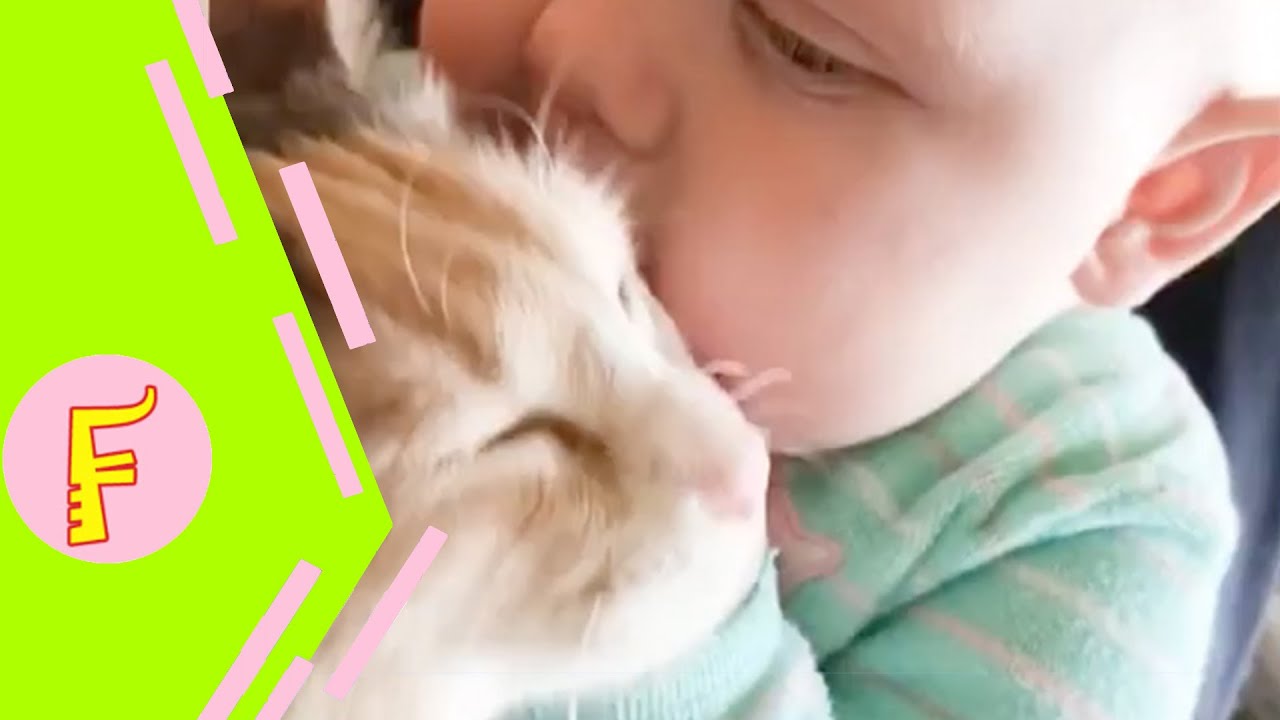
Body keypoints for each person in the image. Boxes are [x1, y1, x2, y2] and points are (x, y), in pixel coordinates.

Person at [391, 1, 1280, 717]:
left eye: (802, 47)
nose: (566, 40)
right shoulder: (382, 131)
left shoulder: (1086, 514)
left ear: (1150, 199)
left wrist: (621, 559)